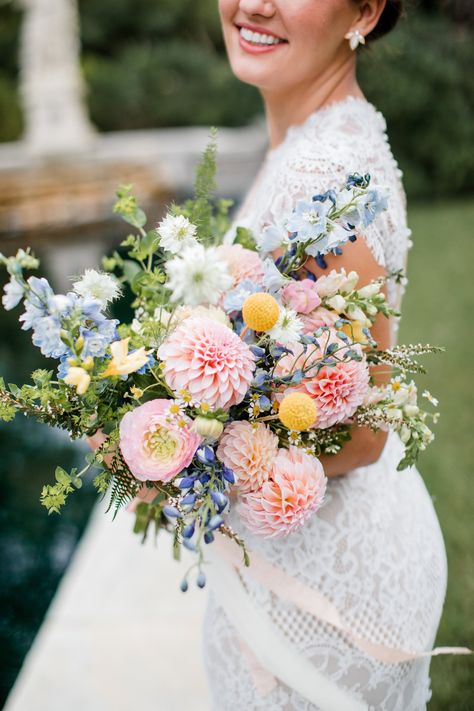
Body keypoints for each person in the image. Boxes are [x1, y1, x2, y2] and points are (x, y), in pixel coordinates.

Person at [202, 1, 448, 709]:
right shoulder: (313, 136)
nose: (253, 4)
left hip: (323, 597)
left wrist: (164, 444)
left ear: (365, 11)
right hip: (302, 560)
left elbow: (360, 431)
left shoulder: (328, 176)